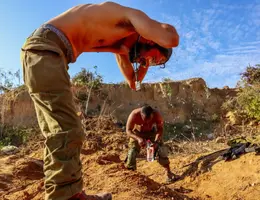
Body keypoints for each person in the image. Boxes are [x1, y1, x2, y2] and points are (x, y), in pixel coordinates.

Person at [20, 1, 179, 200]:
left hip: (49, 52)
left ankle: (70, 193)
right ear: (150, 39)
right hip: (47, 47)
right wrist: (150, 44)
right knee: (67, 130)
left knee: (61, 129)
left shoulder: (119, 45)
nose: (147, 64)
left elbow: (132, 81)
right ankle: (66, 196)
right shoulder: (130, 16)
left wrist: (138, 59)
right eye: (154, 60)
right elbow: (171, 38)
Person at [125, 105, 179, 182]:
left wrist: (156, 142)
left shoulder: (157, 115)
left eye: (149, 119)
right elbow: (128, 131)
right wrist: (138, 139)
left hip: (151, 133)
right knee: (132, 152)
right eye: (144, 119)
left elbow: (160, 129)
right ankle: (132, 178)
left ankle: (169, 173)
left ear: (152, 114)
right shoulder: (134, 114)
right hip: (137, 134)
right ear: (141, 115)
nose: (147, 122)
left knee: (162, 150)